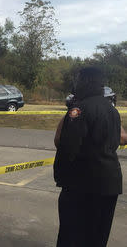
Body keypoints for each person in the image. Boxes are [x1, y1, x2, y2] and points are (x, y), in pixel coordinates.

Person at [53, 66, 123, 247]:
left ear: (84, 82)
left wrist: (61, 176)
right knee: (97, 238)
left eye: (78, 80)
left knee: (71, 236)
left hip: (82, 185)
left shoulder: (79, 110)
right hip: (109, 184)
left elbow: (65, 145)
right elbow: (118, 140)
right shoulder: (112, 110)